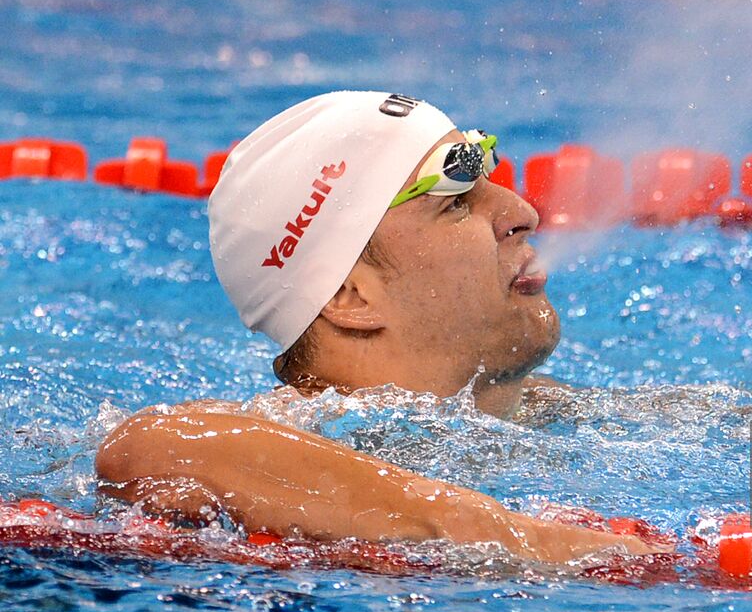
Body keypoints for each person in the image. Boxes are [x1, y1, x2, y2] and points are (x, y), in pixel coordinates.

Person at [95, 91, 662, 565]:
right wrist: (521, 540)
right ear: (351, 297)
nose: (523, 213)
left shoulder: (554, 412)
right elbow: (149, 449)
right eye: (455, 201)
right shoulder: (283, 433)